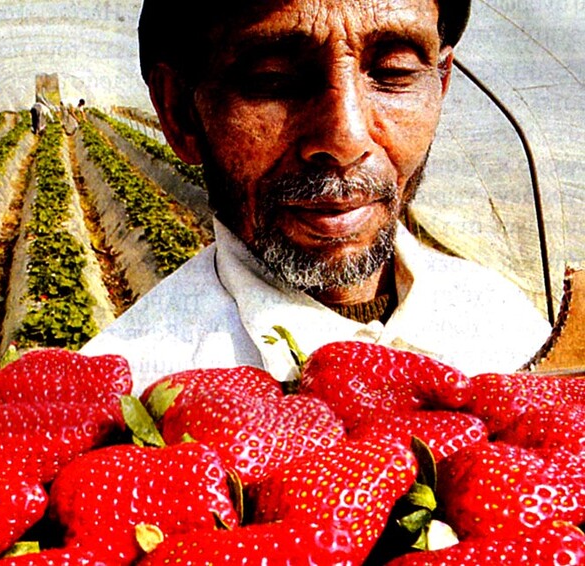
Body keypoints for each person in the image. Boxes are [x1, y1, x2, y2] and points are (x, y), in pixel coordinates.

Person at [81, 0, 551, 394]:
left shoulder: (509, 328)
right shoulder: (137, 394)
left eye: (393, 72)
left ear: (441, 84)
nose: (345, 138)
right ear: (180, 112)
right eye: (273, 78)